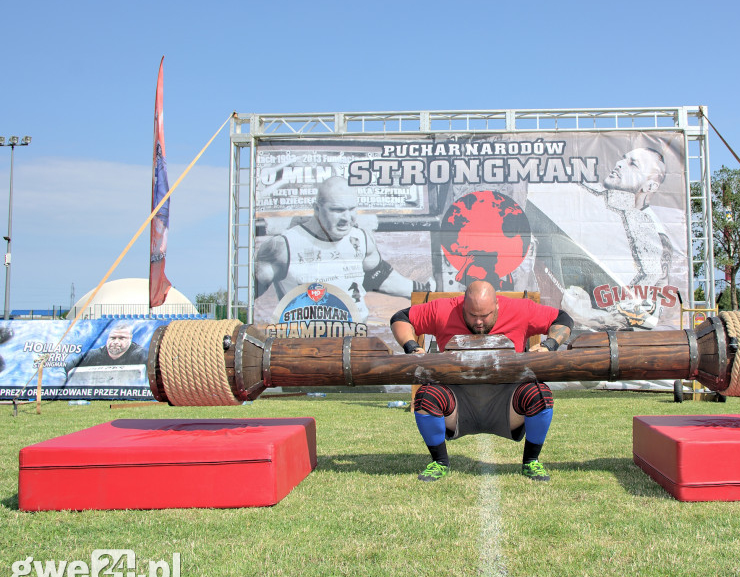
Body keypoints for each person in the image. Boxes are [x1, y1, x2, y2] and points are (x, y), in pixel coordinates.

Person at [390, 280, 574, 482]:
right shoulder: (444, 309)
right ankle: (439, 461)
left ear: (496, 306)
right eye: (472, 315)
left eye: (485, 316)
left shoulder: (520, 309)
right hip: (457, 401)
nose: (479, 322)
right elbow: (401, 318)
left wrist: (549, 344)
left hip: (507, 401)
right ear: (462, 306)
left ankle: (531, 461)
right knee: (426, 397)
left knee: (539, 395)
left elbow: (562, 319)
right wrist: (411, 346)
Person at [255, 176, 432, 316]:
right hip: (306, 346)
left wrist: (426, 291)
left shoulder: (360, 239)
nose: (346, 218)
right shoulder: (283, 247)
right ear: (316, 208)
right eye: (337, 210)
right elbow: (250, 293)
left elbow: (380, 278)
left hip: (354, 340)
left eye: (351, 209)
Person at [561, 147, 676, 330]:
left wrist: (586, 315)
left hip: (606, 342)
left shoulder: (655, 241)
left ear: (650, 186)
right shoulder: (595, 201)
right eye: (624, 158)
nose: (620, 164)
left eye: (633, 164)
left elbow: (646, 317)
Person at [66, 322, 147, 374]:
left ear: (130, 338)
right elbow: (64, 369)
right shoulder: (92, 355)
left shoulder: (142, 355)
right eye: (113, 338)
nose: (116, 342)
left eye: (121, 338)